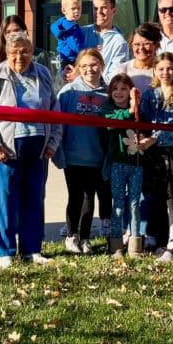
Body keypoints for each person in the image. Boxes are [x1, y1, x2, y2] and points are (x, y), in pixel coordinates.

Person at [0, 31, 62, 269]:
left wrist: (53, 142)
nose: (19, 56)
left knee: (34, 198)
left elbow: (54, 110)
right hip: (7, 146)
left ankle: (32, 249)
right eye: (14, 52)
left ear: (32, 52)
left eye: (25, 51)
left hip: (38, 146)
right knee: (4, 199)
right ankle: (5, 250)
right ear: (6, 52)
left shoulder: (43, 73)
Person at [138, 52, 173, 263]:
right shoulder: (149, 95)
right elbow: (142, 120)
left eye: (170, 68)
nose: (165, 73)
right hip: (152, 155)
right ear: (154, 71)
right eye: (161, 69)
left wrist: (153, 138)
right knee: (154, 196)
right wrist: (142, 137)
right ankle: (155, 237)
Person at [55, 48, 108, 254]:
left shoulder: (107, 93)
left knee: (90, 197)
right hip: (73, 155)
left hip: (96, 157)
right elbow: (58, 125)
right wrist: (59, 152)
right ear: (77, 69)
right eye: (84, 66)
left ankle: (85, 237)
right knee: (75, 196)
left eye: (94, 65)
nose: (89, 70)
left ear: (101, 66)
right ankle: (71, 235)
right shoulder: (69, 92)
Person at [102, 72, 144, 257]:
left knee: (135, 203)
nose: (119, 92)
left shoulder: (139, 112)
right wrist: (130, 110)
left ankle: (135, 243)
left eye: (124, 89)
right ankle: (116, 243)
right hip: (117, 164)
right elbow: (113, 123)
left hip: (136, 164)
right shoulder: (106, 110)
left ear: (131, 92)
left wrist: (136, 108)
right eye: (115, 89)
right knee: (118, 203)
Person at [82, 0, 131, 82]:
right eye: (95, 8)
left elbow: (115, 77)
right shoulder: (82, 32)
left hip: (102, 94)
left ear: (114, 11)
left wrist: (86, 80)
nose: (99, 12)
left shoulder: (119, 42)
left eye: (103, 8)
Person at [116, 22, 161, 92]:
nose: (141, 48)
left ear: (156, 45)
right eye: (136, 44)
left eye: (146, 44)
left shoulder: (163, 69)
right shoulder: (123, 70)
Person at [50, 0, 85, 72]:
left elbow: (53, 26)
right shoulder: (71, 27)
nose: (77, 11)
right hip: (72, 61)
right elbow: (75, 46)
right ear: (64, 10)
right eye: (73, 8)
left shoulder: (62, 22)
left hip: (64, 59)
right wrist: (89, 51)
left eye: (79, 8)